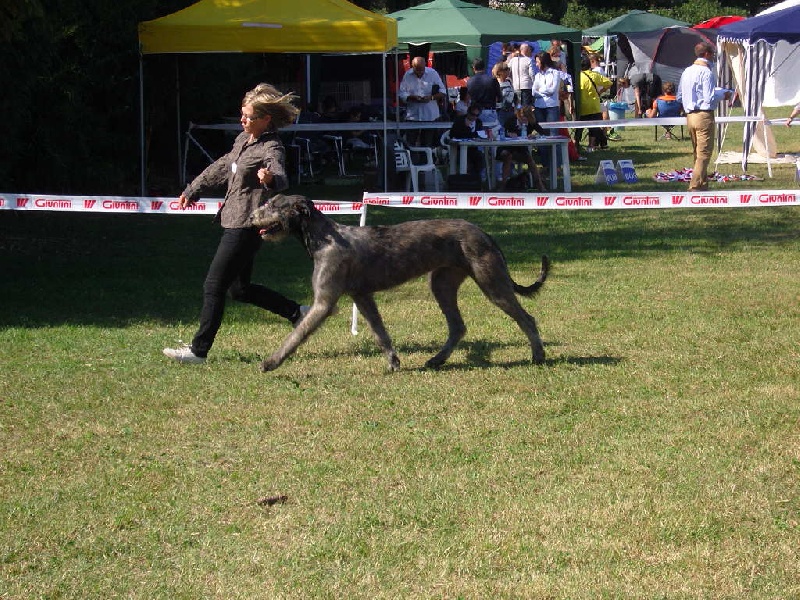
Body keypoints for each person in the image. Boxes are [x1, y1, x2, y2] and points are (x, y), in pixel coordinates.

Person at [163, 83, 303, 365]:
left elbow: (280, 173)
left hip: (246, 225)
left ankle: (198, 351)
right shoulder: (243, 141)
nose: (243, 120)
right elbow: (222, 166)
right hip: (233, 219)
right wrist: (193, 189)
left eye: (249, 117)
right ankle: (297, 313)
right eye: (242, 115)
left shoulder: (271, 146)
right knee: (240, 289)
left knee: (213, 285)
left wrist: (270, 179)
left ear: (265, 120)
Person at [677, 42, 732, 191]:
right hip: (704, 115)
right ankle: (694, 185)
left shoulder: (686, 71)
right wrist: (723, 95)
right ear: (707, 54)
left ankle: (703, 184)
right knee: (704, 153)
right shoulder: (706, 72)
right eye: (713, 54)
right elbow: (709, 98)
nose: (713, 57)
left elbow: (680, 96)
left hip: (690, 116)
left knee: (697, 152)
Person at [496, 105, 547, 192]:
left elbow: (544, 132)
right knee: (507, 156)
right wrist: (509, 134)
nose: (524, 120)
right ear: (519, 115)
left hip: (520, 149)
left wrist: (534, 135)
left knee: (530, 160)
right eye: (522, 118)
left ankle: (540, 185)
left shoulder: (532, 122)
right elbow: (501, 133)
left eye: (526, 119)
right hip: (506, 147)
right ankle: (503, 185)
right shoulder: (511, 120)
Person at [399, 56, 446, 146]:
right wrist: (412, 97)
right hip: (413, 116)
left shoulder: (433, 73)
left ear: (425, 65)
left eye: (422, 70)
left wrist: (431, 98)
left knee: (427, 145)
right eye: (417, 70)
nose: (420, 72)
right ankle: (412, 160)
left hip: (430, 116)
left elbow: (443, 92)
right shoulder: (407, 75)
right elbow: (402, 93)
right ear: (412, 67)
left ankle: (426, 160)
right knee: (409, 145)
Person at [575, 56, 611, 152]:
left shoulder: (577, 76)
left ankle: (576, 145)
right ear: (589, 65)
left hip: (581, 106)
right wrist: (600, 91)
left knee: (579, 128)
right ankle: (591, 146)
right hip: (594, 106)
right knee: (594, 128)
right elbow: (609, 83)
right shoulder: (594, 75)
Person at [449, 103, 485, 179]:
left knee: (480, 158)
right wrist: (467, 128)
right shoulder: (460, 121)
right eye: (473, 114)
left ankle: (476, 180)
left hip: (473, 148)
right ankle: (466, 180)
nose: (474, 117)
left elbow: (480, 134)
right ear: (468, 112)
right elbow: (452, 134)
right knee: (467, 161)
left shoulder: (478, 122)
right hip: (459, 149)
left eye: (477, 115)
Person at [467, 58, 502, 132]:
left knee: (476, 135)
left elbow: (469, 97)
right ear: (484, 67)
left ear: (474, 67)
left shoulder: (469, 81)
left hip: (475, 113)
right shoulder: (492, 80)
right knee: (491, 135)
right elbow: (499, 97)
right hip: (489, 111)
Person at [507, 43, 534, 107]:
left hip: (516, 86)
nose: (531, 52)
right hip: (526, 86)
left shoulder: (513, 60)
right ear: (527, 50)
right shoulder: (529, 60)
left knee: (517, 107)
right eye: (530, 50)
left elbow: (508, 70)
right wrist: (534, 83)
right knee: (526, 107)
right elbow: (532, 74)